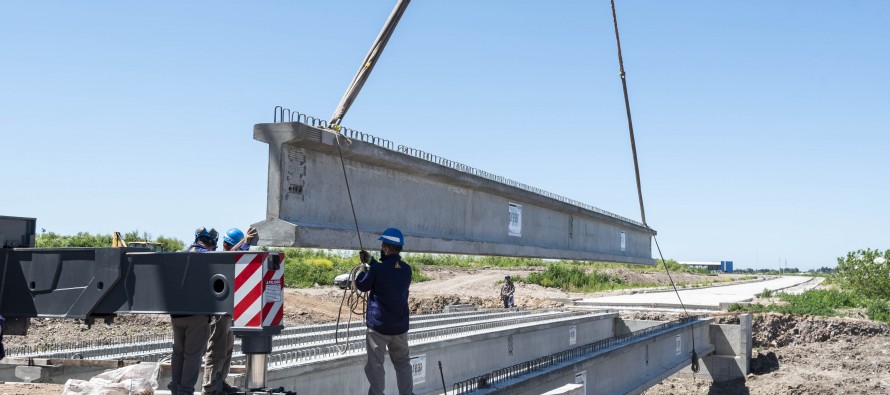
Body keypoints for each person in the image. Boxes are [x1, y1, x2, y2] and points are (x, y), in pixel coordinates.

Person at [355, 228, 414, 395]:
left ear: (387, 248)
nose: (381, 249)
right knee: (403, 363)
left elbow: (362, 284)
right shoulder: (406, 269)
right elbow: (389, 271)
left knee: (375, 365)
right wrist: (372, 262)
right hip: (400, 327)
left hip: (379, 327)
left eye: (382, 246)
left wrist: (364, 269)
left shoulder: (377, 270)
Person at [202, 227, 256, 395]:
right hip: (219, 311)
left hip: (230, 310)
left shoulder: (232, 257)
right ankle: (210, 386)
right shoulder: (219, 259)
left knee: (227, 348)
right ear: (225, 244)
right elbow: (231, 255)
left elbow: (236, 256)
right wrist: (244, 242)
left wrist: (244, 244)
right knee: (217, 347)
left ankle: (220, 380)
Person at [168, 227, 216, 395]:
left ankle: (175, 387)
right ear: (211, 243)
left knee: (178, 352)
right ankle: (186, 390)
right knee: (193, 355)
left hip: (176, 313)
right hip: (197, 315)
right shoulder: (209, 256)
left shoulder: (182, 254)